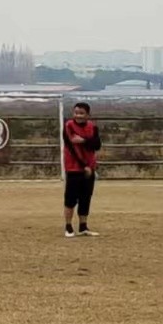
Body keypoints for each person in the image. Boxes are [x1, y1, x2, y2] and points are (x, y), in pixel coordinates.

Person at [62, 102, 102, 238]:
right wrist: (83, 165)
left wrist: (84, 141)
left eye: (81, 113)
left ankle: (83, 226)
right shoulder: (68, 126)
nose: (78, 115)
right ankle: (68, 226)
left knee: (86, 197)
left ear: (88, 115)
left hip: (90, 167)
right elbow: (72, 147)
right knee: (71, 198)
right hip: (74, 167)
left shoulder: (93, 127)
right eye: (76, 113)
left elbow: (96, 145)